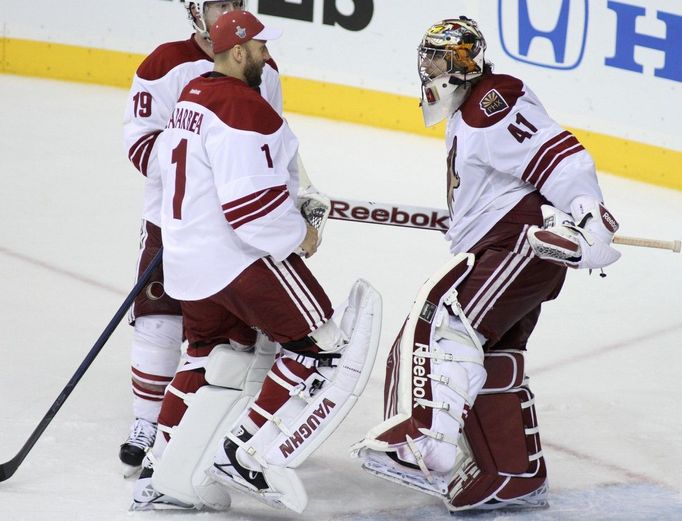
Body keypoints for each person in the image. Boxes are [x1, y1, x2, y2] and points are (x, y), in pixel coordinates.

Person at [354, 17, 621, 513]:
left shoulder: (491, 102)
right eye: (426, 53)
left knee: (452, 328)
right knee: (497, 354)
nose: (428, 64)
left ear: (466, 60)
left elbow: (556, 155)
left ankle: (422, 450)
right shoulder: (466, 108)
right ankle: (513, 475)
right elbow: (494, 181)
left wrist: (589, 213)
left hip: (522, 245)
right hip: (506, 246)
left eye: (441, 55)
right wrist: (463, 225)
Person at [130, 10, 381, 512]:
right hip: (236, 258)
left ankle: (159, 472)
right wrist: (302, 234)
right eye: (261, 49)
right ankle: (242, 452)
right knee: (318, 347)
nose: (268, 57)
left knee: (203, 355)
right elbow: (251, 214)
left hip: (186, 257)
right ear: (239, 52)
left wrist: (290, 198)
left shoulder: (193, 96)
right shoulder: (245, 109)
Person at [120, 1, 324, 476]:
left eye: (233, 2)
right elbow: (141, 141)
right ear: (195, 9)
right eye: (216, 3)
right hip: (183, 217)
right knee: (159, 321)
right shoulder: (164, 63)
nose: (225, 11)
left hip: (226, 220)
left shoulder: (261, 67)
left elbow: (267, 137)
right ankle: (147, 426)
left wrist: (293, 189)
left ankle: (197, 438)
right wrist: (201, 184)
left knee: (224, 338)